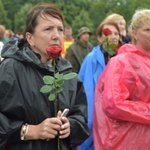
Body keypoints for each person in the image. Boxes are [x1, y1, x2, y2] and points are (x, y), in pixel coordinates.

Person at [0, 3, 90, 150]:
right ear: (30, 38)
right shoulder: (11, 69)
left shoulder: (67, 73)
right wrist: (29, 131)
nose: (56, 36)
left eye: (60, 29)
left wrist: (70, 126)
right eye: (48, 29)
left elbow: (81, 116)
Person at [93, 8, 150, 150]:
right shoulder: (121, 62)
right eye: (148, 29)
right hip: (129, 141)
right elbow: (113, 105)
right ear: (134, 33)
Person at [77, 21, 120, 150]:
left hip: (117, 117)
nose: (113, 36)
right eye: (109, 33)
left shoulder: (123, 58)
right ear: (100, 37)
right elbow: (85, 90)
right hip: (96, 115)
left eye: (116, 33)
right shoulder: (91, 59)